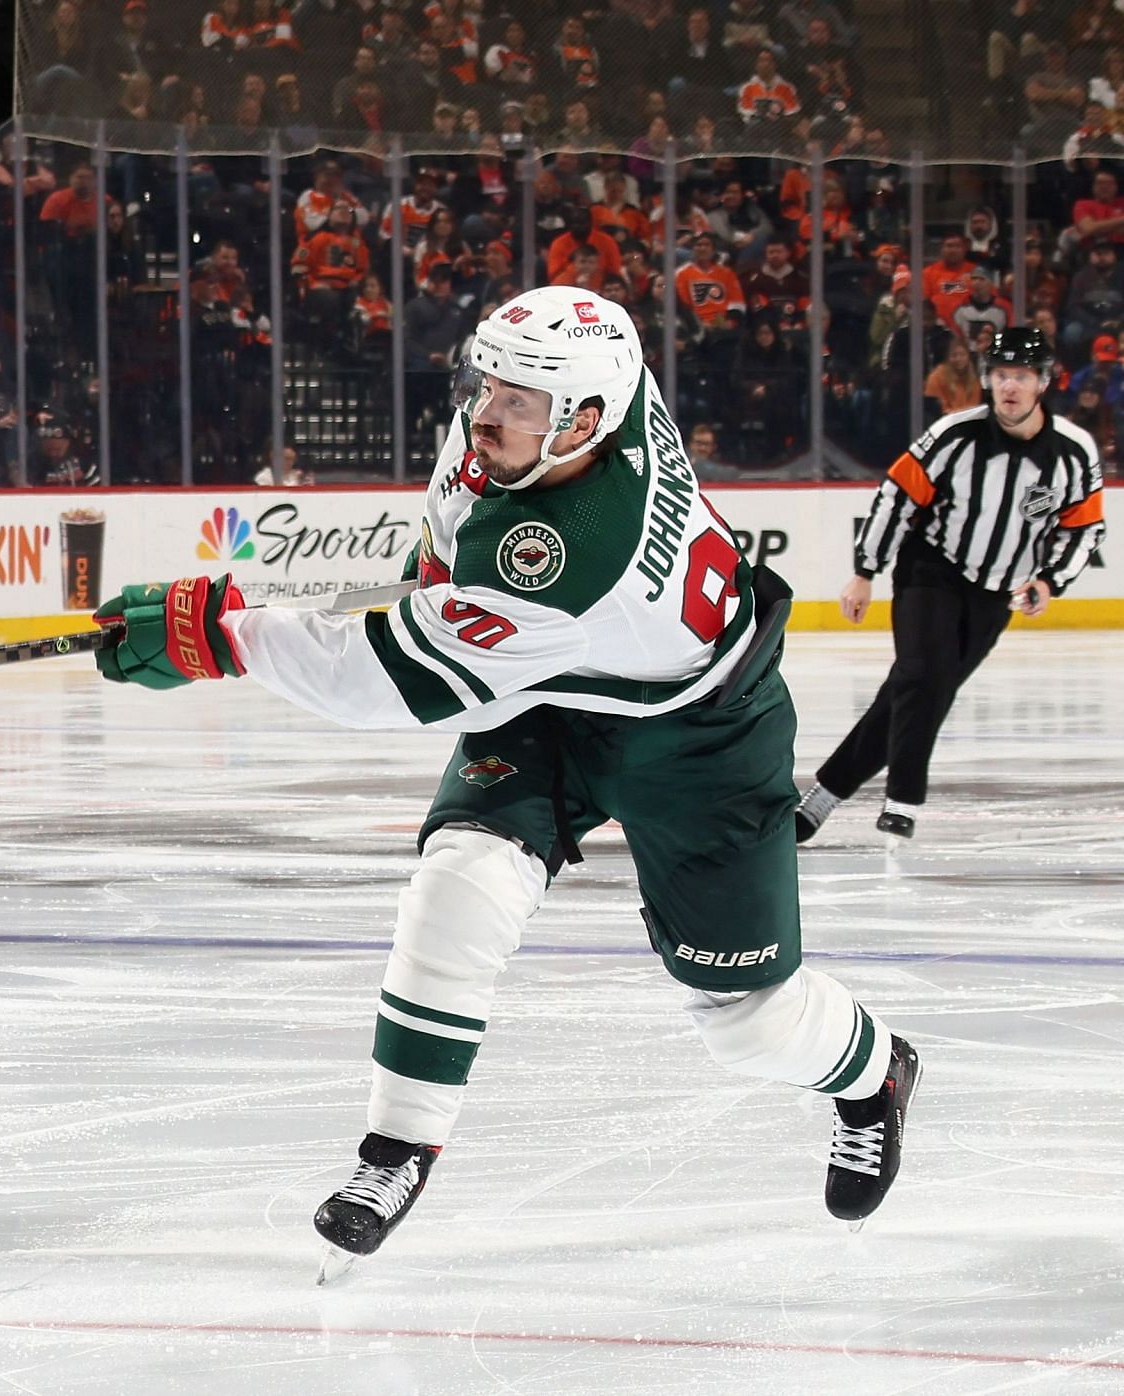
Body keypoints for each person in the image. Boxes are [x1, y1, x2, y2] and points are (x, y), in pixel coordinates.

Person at [90, 285, 922, 1277]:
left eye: (519, 401)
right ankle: (395, 1149)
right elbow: (441, 572)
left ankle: (876, 1074)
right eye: (487, 382)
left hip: (702, 739)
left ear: (583, 421)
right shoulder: (576, 404)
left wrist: (220, 631)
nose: (487, 412)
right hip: (552, 696)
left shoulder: (575, 549)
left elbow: (386, 677)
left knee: (750, 1023)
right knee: (461, 879)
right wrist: (342, 599)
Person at [796, 328, 1105, 842]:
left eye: (1022, 376)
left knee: (910, 692)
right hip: (931, 571)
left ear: (1042, 383)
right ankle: (903, 800)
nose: (1009, 387)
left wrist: (1051, 581)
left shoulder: (1073, 452)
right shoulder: (953, 435)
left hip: (997, 594)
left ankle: (821, 799)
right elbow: (896, 498)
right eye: (1001, 375)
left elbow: (1083, 527)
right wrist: (865, 570)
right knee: (922, 677)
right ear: (987, 379)